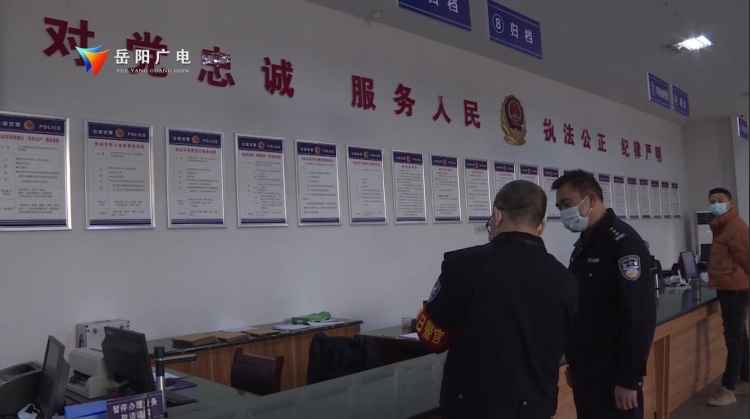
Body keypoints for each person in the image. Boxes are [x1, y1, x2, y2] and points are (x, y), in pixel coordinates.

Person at [416, 180, 578, 418]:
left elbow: (431, 338)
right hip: (534, 409)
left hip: (470, 408)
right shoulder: (566, 280)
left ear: (497, 216)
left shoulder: (462, 266)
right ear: (541, 227)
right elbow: (570, 342)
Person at [552, 170, 655, 419]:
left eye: (566, 204)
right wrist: (573, 363)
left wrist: (629, 379)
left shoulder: (624, 242)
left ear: (591, 199)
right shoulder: (584, 244)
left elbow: (639, 316)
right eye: (559, 207)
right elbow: (582, 308)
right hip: (587, 370)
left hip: (614, 374)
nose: (563, 212)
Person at [704, 187, 750, 406]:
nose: (716, 204)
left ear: (730, 202)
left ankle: (727, 388)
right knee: (740, 336)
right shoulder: (722, 225)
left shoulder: (735, 226)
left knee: (733, 339)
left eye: (720, 200)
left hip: (735, 290)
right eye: (712, 201)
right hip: (728, 287)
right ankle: (746, 379)